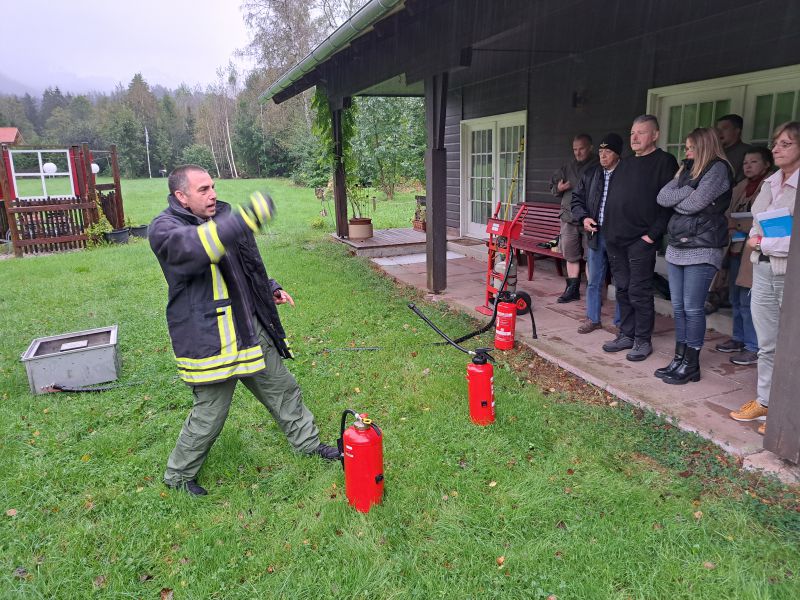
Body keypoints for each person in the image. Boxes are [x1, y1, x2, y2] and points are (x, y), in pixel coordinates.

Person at [149, 165, 339, 496]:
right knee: (210, 415)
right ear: (181, 196)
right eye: (203, 190)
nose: (213, 195)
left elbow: (242, 267)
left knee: (283, 389)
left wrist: (270, 288)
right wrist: (242, 220)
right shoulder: (165, 230)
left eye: (213, 187)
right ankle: (178, 477)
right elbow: (195, 248)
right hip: (209, 342)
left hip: (248, 329)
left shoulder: (221, 218)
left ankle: (308, 445)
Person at [730, 121, 800, 434]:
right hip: (763, 268)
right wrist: (759, 239)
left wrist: (763, 241)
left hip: (790, 274)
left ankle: (787, 409)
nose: (776, 148)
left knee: (791, 344)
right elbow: (756, 223)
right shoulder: (771, 183)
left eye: (785, 143)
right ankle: (765, 400)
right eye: (775, 143)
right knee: (767, 342)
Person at [655, 128, 733, 384]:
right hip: (678, 246)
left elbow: (692, 205)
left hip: (703, 247)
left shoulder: (718, 169)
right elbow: (662, 197)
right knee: (678, 307)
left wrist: (685, 198)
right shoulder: (687, 170)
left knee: (692, 307)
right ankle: (679, 358)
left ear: (703, 146)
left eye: (690, 147)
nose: (686, 151)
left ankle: (692, 363)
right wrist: (689, 191)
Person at [601, 115, 679, 361]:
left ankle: (643, 340)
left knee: (639, 291)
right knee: (622, 290)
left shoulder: (664, 162)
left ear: (655, 135)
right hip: (615, 239)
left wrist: (651, 236)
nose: (634, 138)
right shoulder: (624, 164)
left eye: (641, 133)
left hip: (640, 240)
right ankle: (626, 334)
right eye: (632, 133)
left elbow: (668, 206)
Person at [714, 147, 774, 365]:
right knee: (734, 297)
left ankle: (752, 346)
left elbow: (764, 219)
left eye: (754, 162)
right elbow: (727, 213)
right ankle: (738, 338)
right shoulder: (740, 186)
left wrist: (738, 223)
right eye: (746, 162)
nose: (748, 166)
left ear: (767, 164)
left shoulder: (770, 186)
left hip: (755, 249)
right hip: (735, 247)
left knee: (749, 299)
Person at [571, 132, 623, 333]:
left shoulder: (626, 174)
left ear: (617, 154)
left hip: (618, 236)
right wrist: (584, 217)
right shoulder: (591, 173)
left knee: (620, 281)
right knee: (594, 280)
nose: (603, 155)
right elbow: (577, 199)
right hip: (596, 234)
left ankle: (620, 322)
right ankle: (593, 318)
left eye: (608, 151)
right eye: (601, 151)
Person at [549, 134, 599, 303]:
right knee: (570, 255)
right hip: (568, 217)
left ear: (590, 147)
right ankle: (572, 290)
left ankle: (593, 292)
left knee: (591, 256)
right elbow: (552, 187)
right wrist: (559, 187)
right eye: (575, 149)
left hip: (590, 219)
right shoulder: (567, 167)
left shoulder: (599, 165)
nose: (578, 153)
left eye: (581, 148)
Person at [716, 114, 752, 183]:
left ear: (737, 130)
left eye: (724, 128)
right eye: (718, 130)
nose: (719, 133)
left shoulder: (748, 152)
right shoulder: (715, 153)